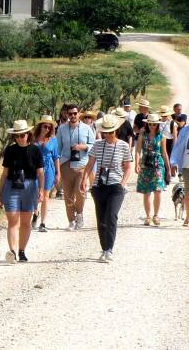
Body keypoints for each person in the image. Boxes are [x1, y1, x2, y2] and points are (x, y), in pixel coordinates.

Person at [83, 115, 133, 262]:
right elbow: (90, 163)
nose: (109, 134)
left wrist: (123, 184)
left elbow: (128, 167)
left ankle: (109, 249)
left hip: (116, 186)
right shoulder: (98, 145)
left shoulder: (123, 146)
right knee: (101, 219)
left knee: (111, 216)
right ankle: (104, 248)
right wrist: (84, 179)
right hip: (99, 185)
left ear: (116, 130)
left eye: (111, 131)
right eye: (106, 132)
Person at [0, 120, 45, 263]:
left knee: (25, 222)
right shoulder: (10, 150)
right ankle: (12, 252)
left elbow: (40, 173)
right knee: (13, 221)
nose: (19, 138)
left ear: (28, 134)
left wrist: (41, 190)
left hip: (29, 187)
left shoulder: (35, 150)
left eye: (22, 135)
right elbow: (5, 173)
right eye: (16, 136)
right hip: (12, 186)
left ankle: (22, 250)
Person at [56, 104, 95, 231]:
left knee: (80, 192)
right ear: (66, 115)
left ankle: (79, 214)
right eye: (70, 114)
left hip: (82, 164)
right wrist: (58, 167)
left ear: (79, 114)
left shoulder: (87, 128)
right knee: (68, 195)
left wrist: (84, 147)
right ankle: (71, 220)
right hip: (66, 164)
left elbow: (93, 145)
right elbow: (58, 148)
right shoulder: (61, 129)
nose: (72, 116)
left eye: (75, 113)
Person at [136, 113, 169, 226]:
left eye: (154, 124)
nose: (152, 126)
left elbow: (164, 153)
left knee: (158, 190)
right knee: (146, 191)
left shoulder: (161, 136)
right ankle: (148, 216)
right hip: (145, 163)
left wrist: (168, 169)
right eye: (150, 124)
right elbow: (138, 150)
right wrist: (137, 163)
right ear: (147, 124)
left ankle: (156, 215)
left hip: (158, 164)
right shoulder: (142, 134)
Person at [32, 115, 60, 232]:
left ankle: (43, 223)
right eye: (45, 126)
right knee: (35, 194)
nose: (47, 129)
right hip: (35, 168)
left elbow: (56, 157)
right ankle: (35, 213)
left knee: (46, 195)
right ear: (40, 126)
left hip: (48, 168)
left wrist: (58, 173)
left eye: (49, 127)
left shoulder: (53, 139)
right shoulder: (33, 138)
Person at [158, 106, 176, 185]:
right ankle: (161, 178)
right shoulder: (157, 122)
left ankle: (167, 179)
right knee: (160, 161)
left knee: (168, 160)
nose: (164, 117)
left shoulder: (172, 123)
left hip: (169, 143)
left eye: (165, 115)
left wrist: (175, 147)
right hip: (159, 142)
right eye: (162, 115)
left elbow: (175, 136)